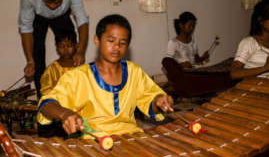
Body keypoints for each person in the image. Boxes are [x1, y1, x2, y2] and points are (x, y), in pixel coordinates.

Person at [36, 14, 174, 138]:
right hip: (92, 141)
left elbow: (151, 101)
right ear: (97, 40)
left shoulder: (134, 72)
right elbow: (46, 105)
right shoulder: (78, 76)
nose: (116, 47)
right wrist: (65, 114)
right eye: (111, 40)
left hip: (131, 137)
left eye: (122, 42)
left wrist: (159, 102)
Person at [19, 0, 89, 98]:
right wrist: (30, 60)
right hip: (38, 17)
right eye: (47, 2)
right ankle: (44, 103)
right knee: (36, 56)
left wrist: (81, 51)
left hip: (62, 16)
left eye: (56, 2)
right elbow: (26, 28)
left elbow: (82, 20)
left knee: (71, 50)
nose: (52, 7)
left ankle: (76, 95)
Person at [230, 0, 269, 80]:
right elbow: (234, 74)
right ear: (260, 20)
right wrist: (265, 68)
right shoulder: (249, 43)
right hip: (253, 88)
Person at [40, 31, 77, 96]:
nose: (65, 50)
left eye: (69, 46)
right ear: (57, 47)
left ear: (76, 46)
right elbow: (45, 91)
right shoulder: (51, 70)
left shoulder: (79, 67)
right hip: (57, 104)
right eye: (62, 46)